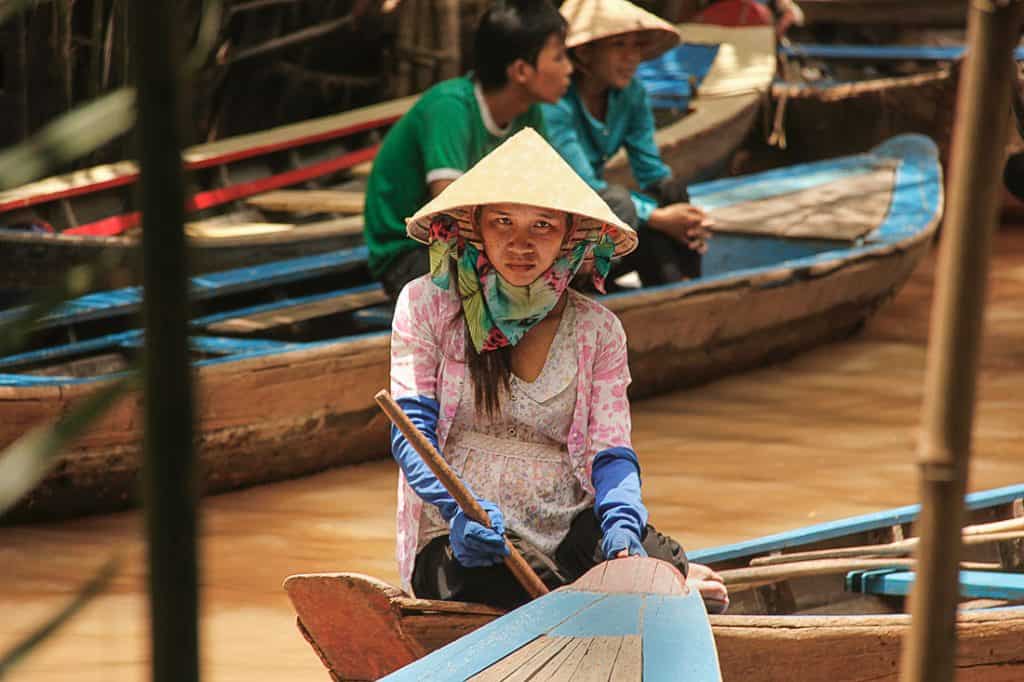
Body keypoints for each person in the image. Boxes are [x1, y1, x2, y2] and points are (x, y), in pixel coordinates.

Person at [387, 127, 729, 614]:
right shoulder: (426, 304)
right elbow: (410, 432)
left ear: (570, 234)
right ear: (476, 226)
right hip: (464, 536)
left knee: (664, 571)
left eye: (542, 226)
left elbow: (610, 452)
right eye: (502, 222)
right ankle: (631, 590)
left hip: (568, 526)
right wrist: (457, 512)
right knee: (528, 593)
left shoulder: (598, 330)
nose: (520, 244)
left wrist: (623, 527)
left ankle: (645, 578)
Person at [363, 0, 573, 301]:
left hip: (482, 245)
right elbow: (449, 209)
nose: (568, 68)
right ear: (521, 71)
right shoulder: (450, 108)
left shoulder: (529, 114)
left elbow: (548, 191)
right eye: (559, 57)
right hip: (411, 252)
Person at [541, 0, 713, 287]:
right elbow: (585, 187)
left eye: (636, 46)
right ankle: (581, 291)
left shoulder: (631, 95)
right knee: (621, 202)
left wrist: (685, 219)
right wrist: (658, 217)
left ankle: (684, 287)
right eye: (619, 45)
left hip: (596, 213)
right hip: (559, 223)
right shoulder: (555, 103)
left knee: (672, 189)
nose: (632, 57)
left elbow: (650, 170)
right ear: (584, 52)